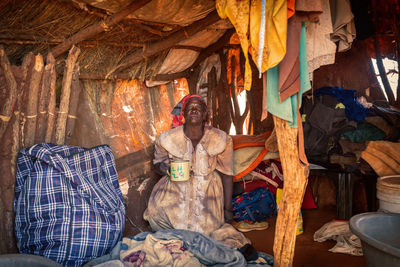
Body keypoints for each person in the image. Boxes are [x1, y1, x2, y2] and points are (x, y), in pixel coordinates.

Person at [143, 94, 250, 249]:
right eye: (190, 107)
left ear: (205, 114)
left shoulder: (220, 138)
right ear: (184, 112)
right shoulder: (167, 138)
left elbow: (227, 174)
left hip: (207, 194)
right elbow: (158, 164)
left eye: (198, 107)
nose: (194, 110)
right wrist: (166, 168)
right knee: (157, 218)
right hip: (174, 192)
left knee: (209, 235)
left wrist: (227, 210)